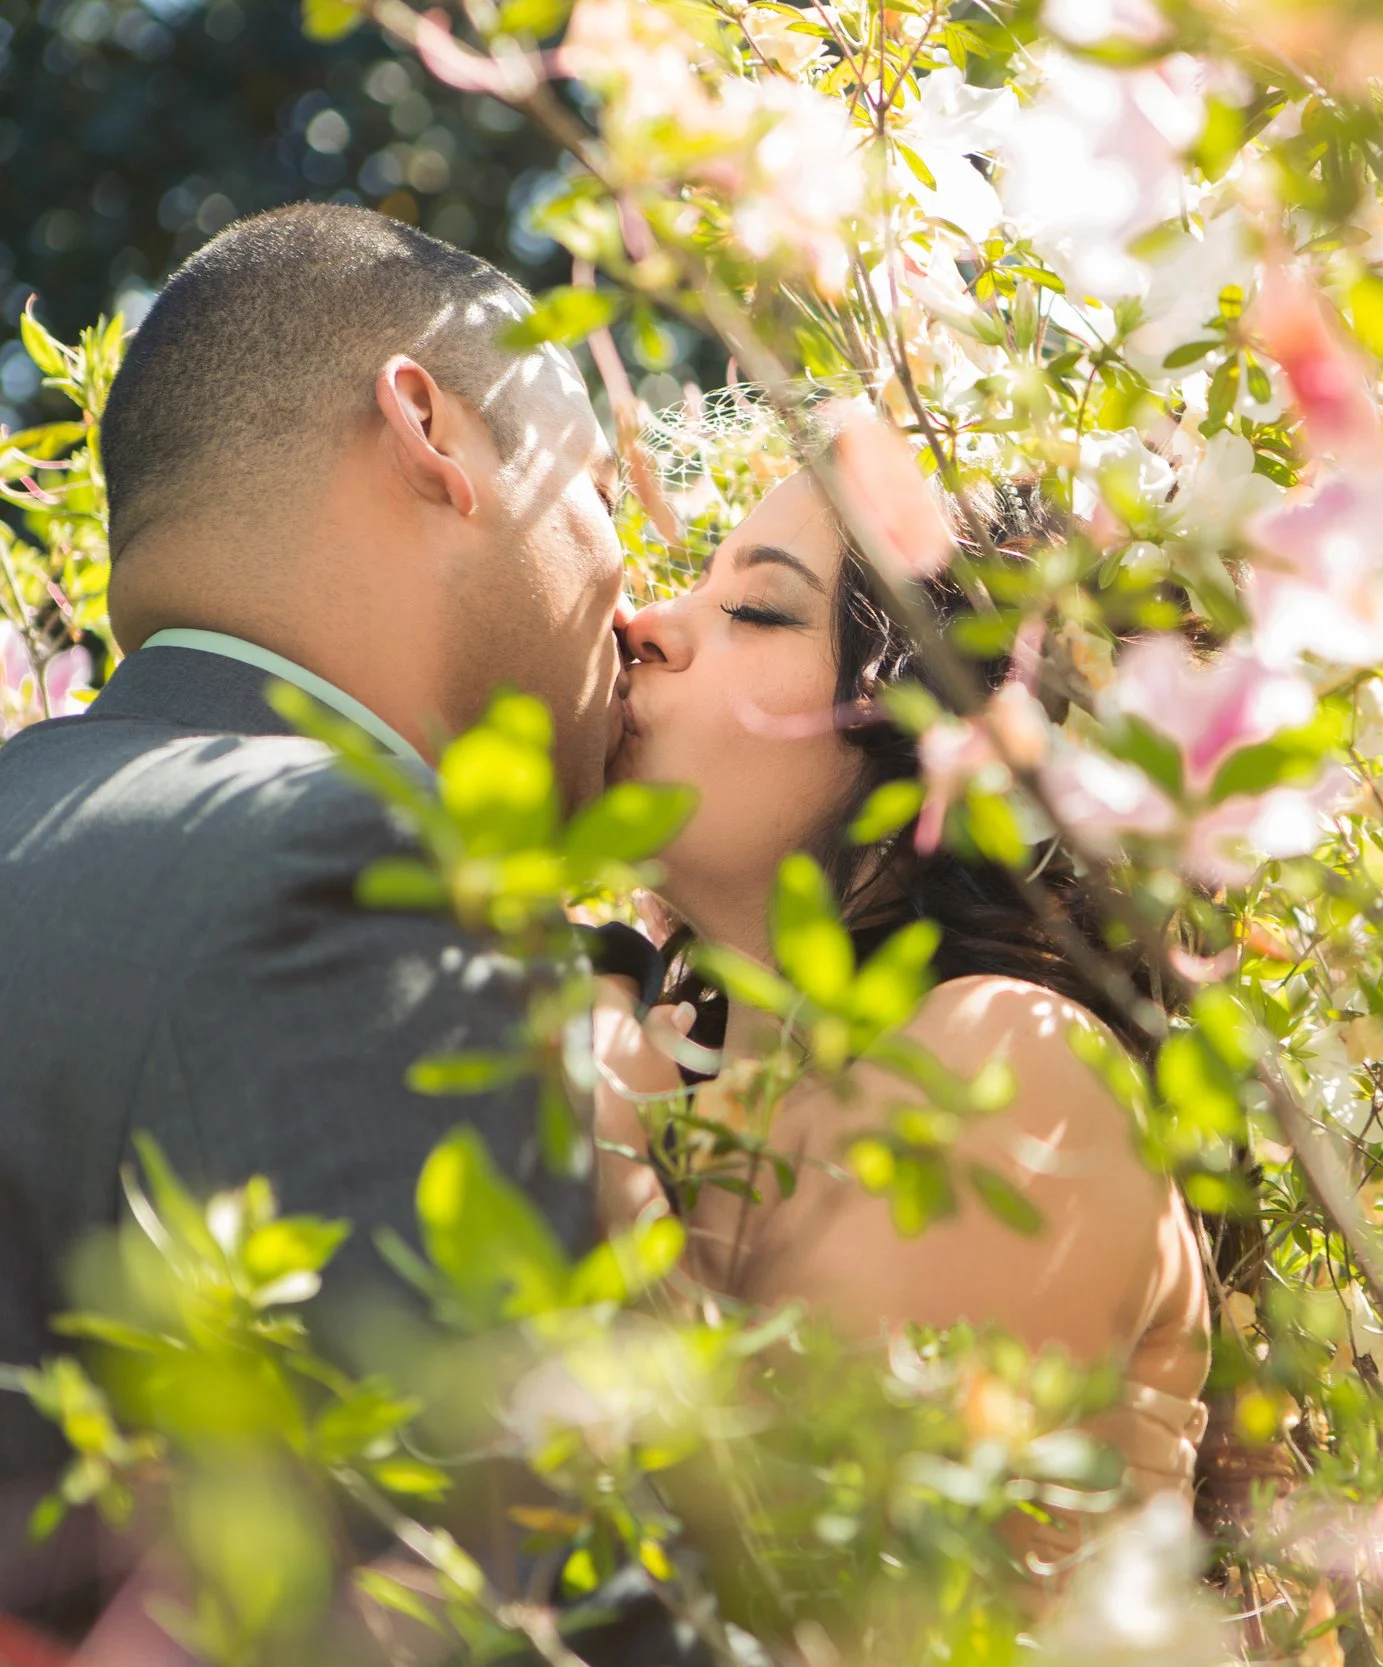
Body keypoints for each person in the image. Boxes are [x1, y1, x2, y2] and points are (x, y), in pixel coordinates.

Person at [0, 203, 627, 1636]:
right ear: (431, 429)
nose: (629, 594)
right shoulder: (353, 860)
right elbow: (444, 1586)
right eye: (601, 497)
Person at [592, 456, 1210, 1575]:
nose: (645, 622)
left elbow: (816, 1591)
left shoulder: (1013, 1065)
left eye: (753, 607)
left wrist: (592, 1122)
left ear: (937, 760)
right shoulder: (683, 1057)